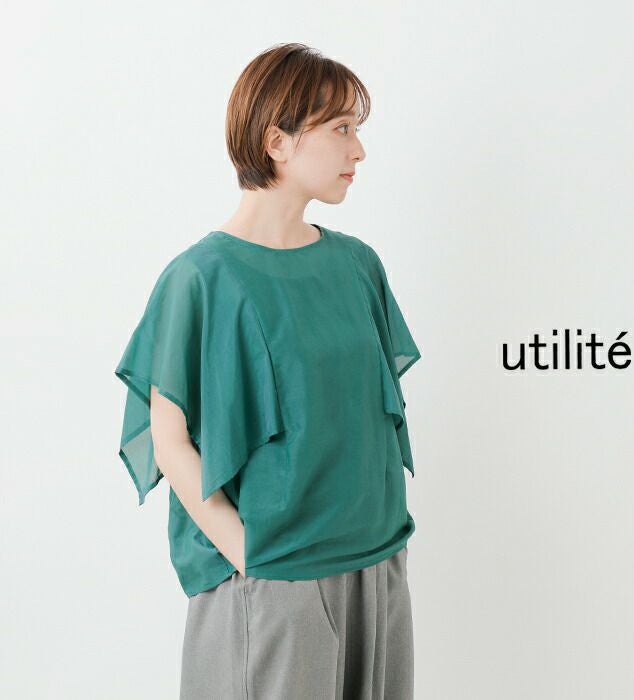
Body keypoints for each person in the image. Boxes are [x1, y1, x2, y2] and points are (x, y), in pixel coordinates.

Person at [114, 42, 422, 699]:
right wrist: (249, 555)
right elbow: (168, 440)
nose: (359, 150)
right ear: (277, 141)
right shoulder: (201, 278)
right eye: (341, 129)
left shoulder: (358, 265)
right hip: (276, 576)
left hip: (377, 561)